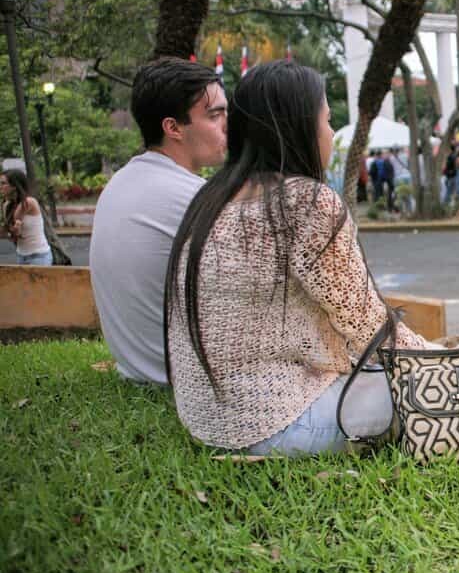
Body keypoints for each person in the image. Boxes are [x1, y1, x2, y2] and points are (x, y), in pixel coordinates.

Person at [164, 61, 436, 457]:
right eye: (326, 119)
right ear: (298, 127)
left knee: (382, 367)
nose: (329, 132)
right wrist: (440, 360)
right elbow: (365, 323)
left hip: (207, 420)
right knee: (424, 388)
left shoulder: (211, 198)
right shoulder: (305, 202)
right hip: (279, 424)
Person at [90, 57, 227, 386]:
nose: (227, 124)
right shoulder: (193, 197)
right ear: (174, 128)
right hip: (185, 381)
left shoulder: (120, 183)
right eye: (215, 115)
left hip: (141, 370)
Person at [0, 169, 53, 265]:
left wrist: (11, 231)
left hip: (39, 256)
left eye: (3, 183)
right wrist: (12, 233)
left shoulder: (29, 202)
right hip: (21, 255)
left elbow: (12, 223)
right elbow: (11, 234)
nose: (0, 187)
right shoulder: (6, 205)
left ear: (14, 186)